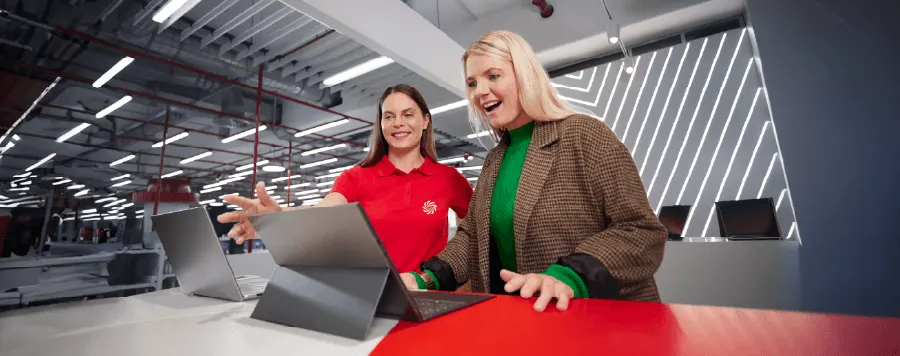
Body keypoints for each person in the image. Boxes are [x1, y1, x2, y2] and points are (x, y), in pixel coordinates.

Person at [401, 31, 667, 312]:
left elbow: (640, 231)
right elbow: (472, 238)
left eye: (493, 76)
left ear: (525, 76)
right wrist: (426, 278)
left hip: (601, 320)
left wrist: (569, 277)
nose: (479, 91)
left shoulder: (584, 134)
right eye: (472, 82)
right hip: (525, 323)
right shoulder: (495, 159)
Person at [218, 84, 474, 273]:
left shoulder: (447, 179)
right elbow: (322, 214)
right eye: (389, 116)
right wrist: (275, 220)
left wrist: (460, 278)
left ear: (425, 121)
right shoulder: (356, 177)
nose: (398, 123)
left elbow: (475, 232)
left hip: (431, 298)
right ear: (381, 124)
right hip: (374, 300)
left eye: (408, 114)